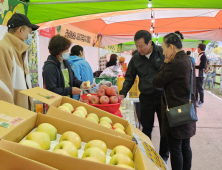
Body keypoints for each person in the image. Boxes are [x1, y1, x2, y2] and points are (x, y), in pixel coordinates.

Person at [119, 30, 169, 162]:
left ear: (150, 43)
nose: (139, 49)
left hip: (162, 96)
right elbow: (129, 77)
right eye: (136, 46)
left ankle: (163, 156)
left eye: (141, 46)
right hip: (146, 97)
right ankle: (148, 155)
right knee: (146, 127)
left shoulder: (162, 53)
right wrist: (122, 93)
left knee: (165, 127)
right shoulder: (136, 58)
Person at [153, 32, 196, 170]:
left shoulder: (174, 63)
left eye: (164, 48)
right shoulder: (188, 60)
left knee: (175, 148)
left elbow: (157, 81)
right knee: (185, 146)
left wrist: (165, 63)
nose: (163, 52)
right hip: (187, 109)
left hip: (175, 110)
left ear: (171, 47)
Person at [0, 13, 39, 110]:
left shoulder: (18, 51)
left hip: (21, 116)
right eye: (30, 32)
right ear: (20, 30)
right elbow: (3, 89)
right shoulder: (3, 49)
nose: (30, 37)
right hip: (14, 119)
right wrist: (11, 118)